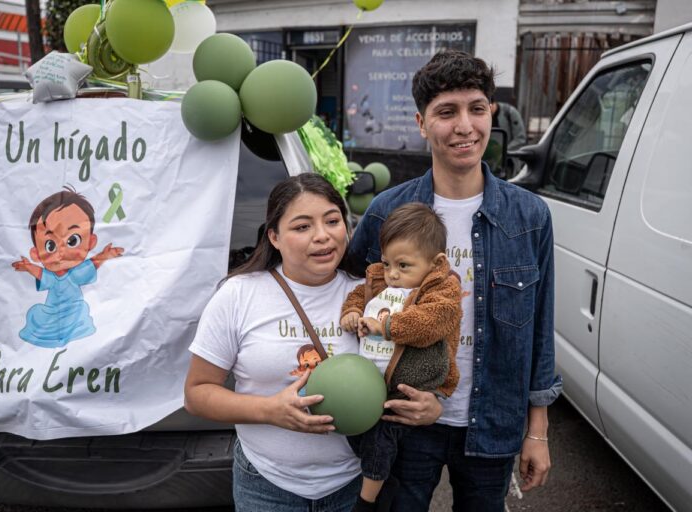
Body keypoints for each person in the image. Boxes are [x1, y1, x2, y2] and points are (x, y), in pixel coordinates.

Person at [348, 49, 562, 512]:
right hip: (403, 420)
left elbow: (540, 331)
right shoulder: (387, 211)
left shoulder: (530, 216)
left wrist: (537, 431)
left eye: (476, 108)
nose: (465, 126)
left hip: (493, 425)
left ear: (491, 112)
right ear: (422, 123)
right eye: (447, 112)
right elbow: (349, 290)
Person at [184, 174, 440, 511]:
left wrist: (431, 407)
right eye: (302, 227)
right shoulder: (239, 295)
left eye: (332, 221)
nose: (322, 236)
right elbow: (197, 394)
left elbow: (411, 367)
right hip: (267, 485)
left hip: (355, 486)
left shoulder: (378, 295)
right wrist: (269, 411)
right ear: (274, 236)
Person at [339, 203, 463, 511]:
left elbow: (432, 320)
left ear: (436, 263)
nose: (392, 274)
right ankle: (382, 481)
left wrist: (386, 326)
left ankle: (366, 501)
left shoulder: (441, 289)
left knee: (381, 440)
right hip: (371, 383)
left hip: (404, 388)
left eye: (403, 266)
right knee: (359, 437)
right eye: (386, 262)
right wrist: (352, 313)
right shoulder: (382, 278)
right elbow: (359, 294)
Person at [11, 186, 124, 348]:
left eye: (72, 241)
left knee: (80, 333)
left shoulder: (76, 274)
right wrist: (29, 267)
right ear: (36, 254)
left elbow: (92, 264)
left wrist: (105, 255)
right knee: (41, 321)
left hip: (75, 314)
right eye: (50, 245)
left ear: (91, 242)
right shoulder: (54, 278)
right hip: (52, 315)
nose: (62, 252)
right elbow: (41, 273)